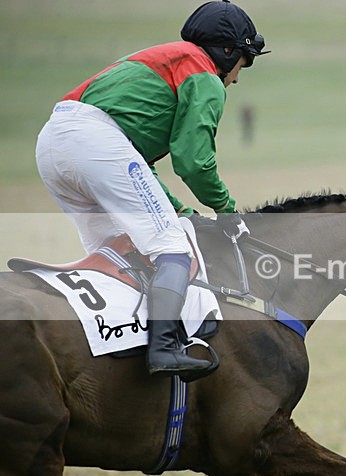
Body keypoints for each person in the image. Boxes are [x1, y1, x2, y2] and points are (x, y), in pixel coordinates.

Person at [35, 1, 267, 379]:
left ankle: (118, 348)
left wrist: (181, 211)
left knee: (120, 253)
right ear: (227, 52)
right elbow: (194, 161)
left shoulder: (167, 58)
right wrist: (227, 209)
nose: (238, 77)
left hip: (53, 143)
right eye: (245, 61)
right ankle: (164, 350)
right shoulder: (204, 73)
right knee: (173, 249)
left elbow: (137, 172)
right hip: (95, 144)